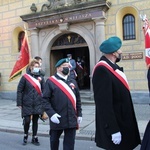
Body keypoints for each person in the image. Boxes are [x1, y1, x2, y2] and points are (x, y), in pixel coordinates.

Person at [92, 36, 141, 150]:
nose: (121, 51)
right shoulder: (102, 70)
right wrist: (113, 129)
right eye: (119, 49)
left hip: (123, 120)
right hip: (117, 124)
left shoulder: (113, 67)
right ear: (114, 53)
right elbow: (104, 104)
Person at [42, 58, 82, 150]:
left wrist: (79, 114)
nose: (67, 68)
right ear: (58, 68)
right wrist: (51, 114)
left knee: (70, 144)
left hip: (71, 117)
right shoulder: (51, 82)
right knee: (54, 141)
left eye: (68, 66)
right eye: (65, 66)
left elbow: (78, 99)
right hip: (57, 117)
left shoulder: (73, 81)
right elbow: (45, 100)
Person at [16, 59, 45, 146]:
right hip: (27, 103)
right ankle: (25, 135)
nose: (37, 68)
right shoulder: (25, 77)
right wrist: (19, 103)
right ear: (31, 67)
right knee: (27, 121)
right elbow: (19, 90)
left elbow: (44, 91)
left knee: (35, 121)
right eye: (35, 67)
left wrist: (44, 103)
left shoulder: (41, 78)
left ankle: (34, 137)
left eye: (38, 67)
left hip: (37, 103)